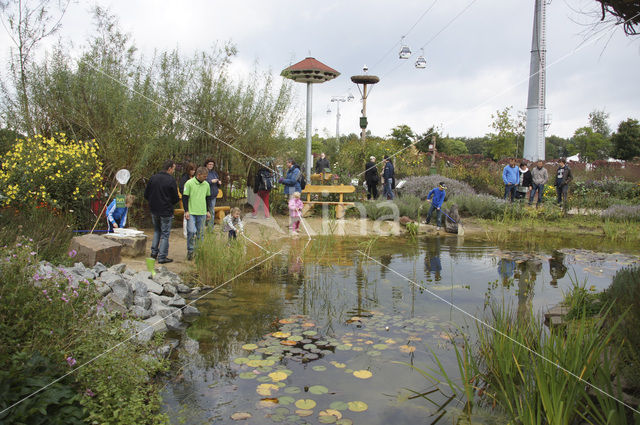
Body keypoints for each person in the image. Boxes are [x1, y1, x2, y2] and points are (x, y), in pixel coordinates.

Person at [144, 160, 179, 264]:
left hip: (154, 210)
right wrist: (169, 203)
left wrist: (152, 202)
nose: (173, 171)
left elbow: (146, 194)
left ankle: (154, 253)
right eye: (173, 169)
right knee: (165, 234)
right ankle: (162, 256)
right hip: (166, 211)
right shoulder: (170, 180)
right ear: (169, 168)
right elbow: (175, 198)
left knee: (156, 231)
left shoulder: (153, 178)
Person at [183, 166, 212, 261]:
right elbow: (185, 197)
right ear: (198, 175)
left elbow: (208, 198)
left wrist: (208, 211)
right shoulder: (189, 183)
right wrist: (186, 210)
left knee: (200, 233)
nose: (206, 178)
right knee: (191, 231)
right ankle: (190, 251)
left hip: (202, 212)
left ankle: (199, 251)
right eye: (204, 176)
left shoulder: (206, 184)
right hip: (191, 212)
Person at [179, 162, 196, 237]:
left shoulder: (195, 178)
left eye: (194, 170)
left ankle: (193, 231)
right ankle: (186, 233)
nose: (193, 172)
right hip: (186, 198)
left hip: (194, 199)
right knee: (186, 214)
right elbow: (181, 189)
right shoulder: (184, 178)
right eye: (191, 170)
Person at [204, 158, 221, 229]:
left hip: (213, 195)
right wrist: (211, 181)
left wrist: (218, 183)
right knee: (205, 212)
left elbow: (217, 182)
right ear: (206, 164)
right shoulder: (203, 171)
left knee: (212, 212)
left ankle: (210, 229)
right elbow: (202, 182)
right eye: (210, 164)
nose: (211, 166)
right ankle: (202, 227)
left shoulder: (214, 173)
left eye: (212, 164)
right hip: (205, 196)